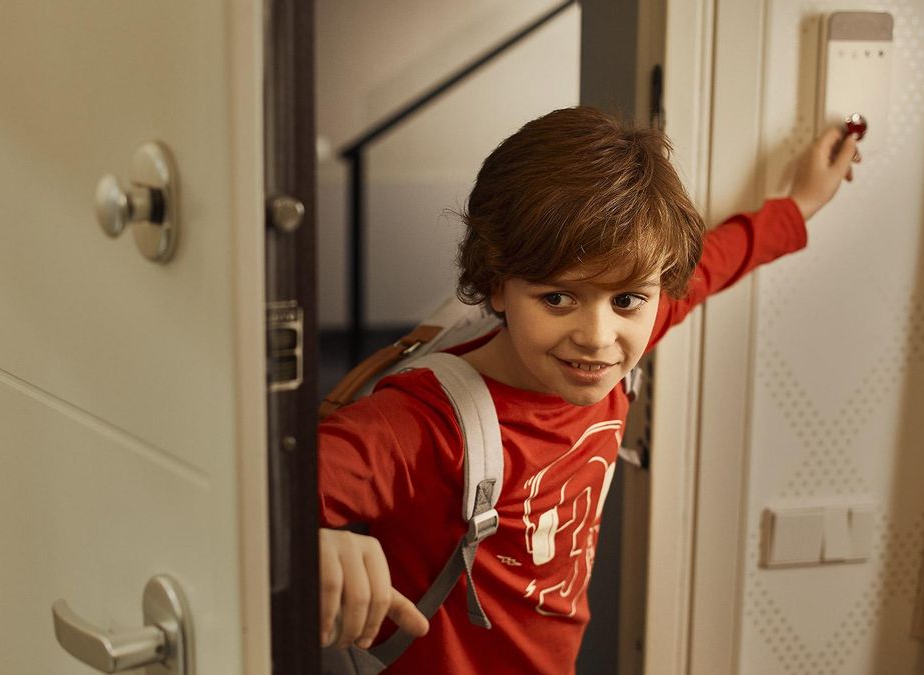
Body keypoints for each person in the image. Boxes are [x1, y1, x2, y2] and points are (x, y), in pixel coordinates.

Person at [317, 106, 860, 674]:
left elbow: (717, 261)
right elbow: (265, 503)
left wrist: (800, 203)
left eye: (626, 300)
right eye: (557, 298)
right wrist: (317, 540)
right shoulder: (420, 423)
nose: (598, 338)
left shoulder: (629, 324)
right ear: (497, 286)